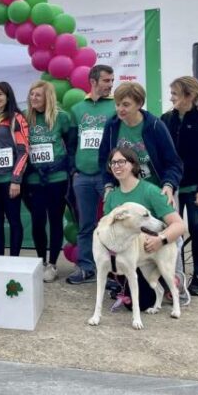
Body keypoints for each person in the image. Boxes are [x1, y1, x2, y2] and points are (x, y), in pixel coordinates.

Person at [103, 147, 189, 311]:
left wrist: (160, 240)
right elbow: (107, 230)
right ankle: (126, 283)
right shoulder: (112, 197)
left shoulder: (151, 191)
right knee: (134, 303)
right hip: (128, 253)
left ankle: (174, 278)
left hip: (152, 250)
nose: (117, 166)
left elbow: (179, 226)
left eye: (122, 162)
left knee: (142, 301)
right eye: (113, 163)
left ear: (133, 165)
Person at [161, 77, 198, 296]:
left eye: (175, 94)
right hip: (172, 187)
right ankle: (177, 276)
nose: (171, 98)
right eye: (171, 93)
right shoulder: (166, 119)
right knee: (172, 231)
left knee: (196, 228)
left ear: (190, 95)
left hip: (195, 188)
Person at [22, 80, 76, 282]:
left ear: (48, 97)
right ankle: (41, 261)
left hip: (57, 178)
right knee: (37, 221)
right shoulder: (25, 117)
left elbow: (71, 145)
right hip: (33, 179)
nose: (33, 98)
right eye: (31, 94)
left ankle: (52, 263)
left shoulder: (62, 117)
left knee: (55, 220)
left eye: (38, 95)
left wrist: (69, 168)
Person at [67, 65, 115, 285]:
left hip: (107, 177)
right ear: (93, 82)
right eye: (106, 80)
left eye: (112, 80)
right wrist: (74, 170)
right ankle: (86, 268)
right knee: (86, 225)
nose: (110, 84)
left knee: (114, 225)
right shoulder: (77, 109)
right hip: (83, 177)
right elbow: (71, 143)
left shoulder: (115, 106)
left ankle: (115, 272)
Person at [98, 82, 183, 203]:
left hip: (155, 192)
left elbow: (173, 163)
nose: (120, 109)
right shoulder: (112, 126)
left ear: (139, 104)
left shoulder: (155, 126)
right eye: (117, 104)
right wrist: (108, 185)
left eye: (126, 105)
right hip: (124, 194)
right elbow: (104, 159)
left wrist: (168, 184)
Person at [0, 81, 29, 256]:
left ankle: (13, 260)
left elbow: (24, 151)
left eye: (0, 94)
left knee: (14, 221)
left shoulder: (17, 118)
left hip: (9, 180)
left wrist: (16, 180)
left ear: (8, 96)